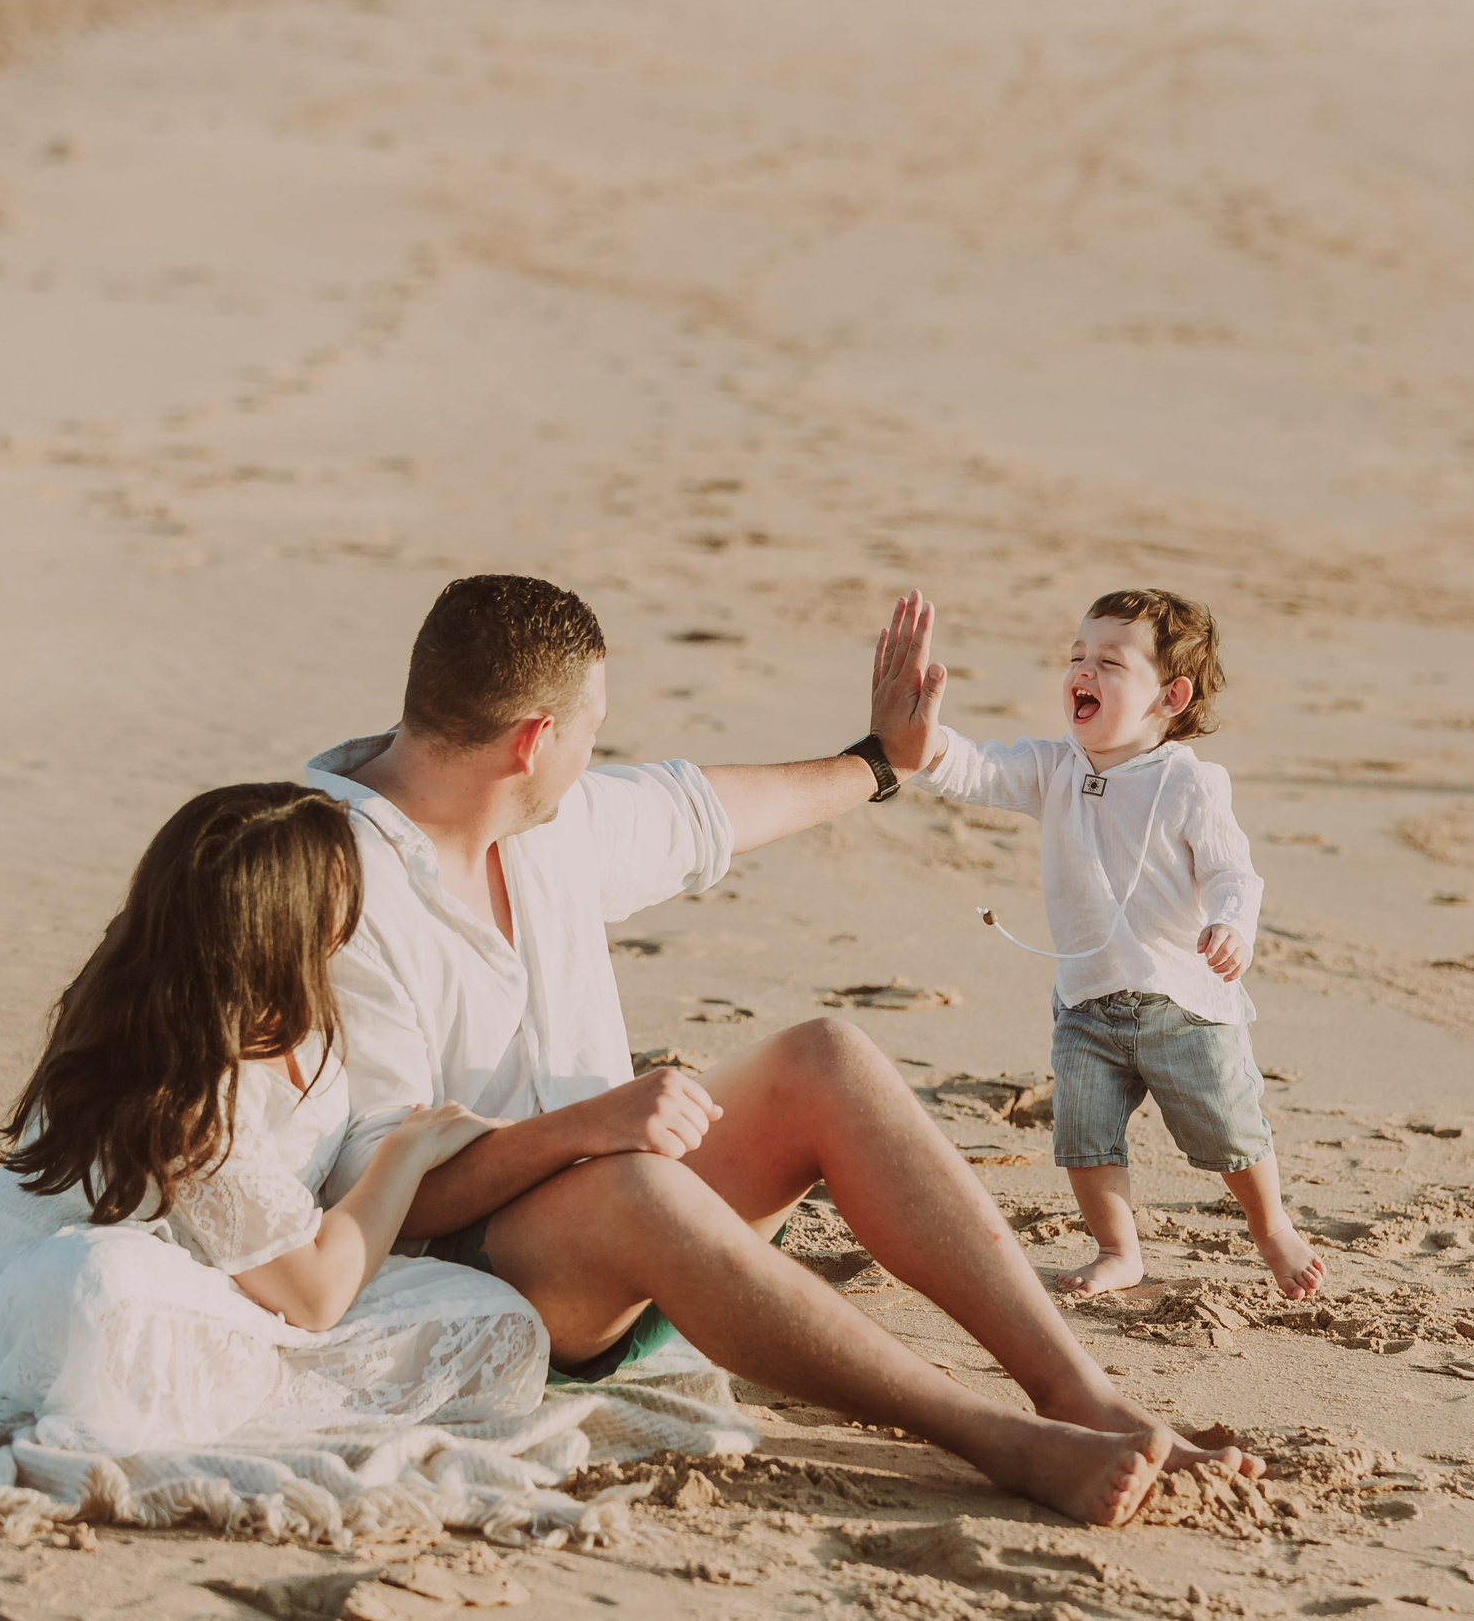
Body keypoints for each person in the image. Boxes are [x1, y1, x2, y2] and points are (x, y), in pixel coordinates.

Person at [308, 575, 1256, 1529]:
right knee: (640, 1185)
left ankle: (1082, 1396)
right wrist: (585, 1129)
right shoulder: (332, 885)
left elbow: (711, 810)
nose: (599, 754)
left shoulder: (540, 809)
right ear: (533, 741)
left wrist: (880, 759)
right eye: (593, 730)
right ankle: (991, 1435)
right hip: (473, 1280)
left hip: (628, 1213)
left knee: (824, 1059)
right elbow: (388, 1197)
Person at [0, 782, 548, 1454]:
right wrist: (404, 1154)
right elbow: (319, 1296)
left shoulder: (293, 996)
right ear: (288, 927)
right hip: (77, 1279)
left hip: (250, 1259)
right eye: (341, 884)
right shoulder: (181, 1090)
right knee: (109, 1298)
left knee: (495, 1319)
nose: (358, 900)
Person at [909, 589, 1326, 1302]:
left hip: (1184, 1001)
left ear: (1170, 695)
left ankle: (1272, 1225)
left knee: (1229, 1124)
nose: (1083, 671)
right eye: (1076, 657)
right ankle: (1117, 1247)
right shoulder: (1057, 767)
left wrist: (1231, 924)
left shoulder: (1190, 784)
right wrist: (925, 739)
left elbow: (1234, 871)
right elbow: (979, 770)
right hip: (1087, 998)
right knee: (1084, 1131)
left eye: (1108, 661)